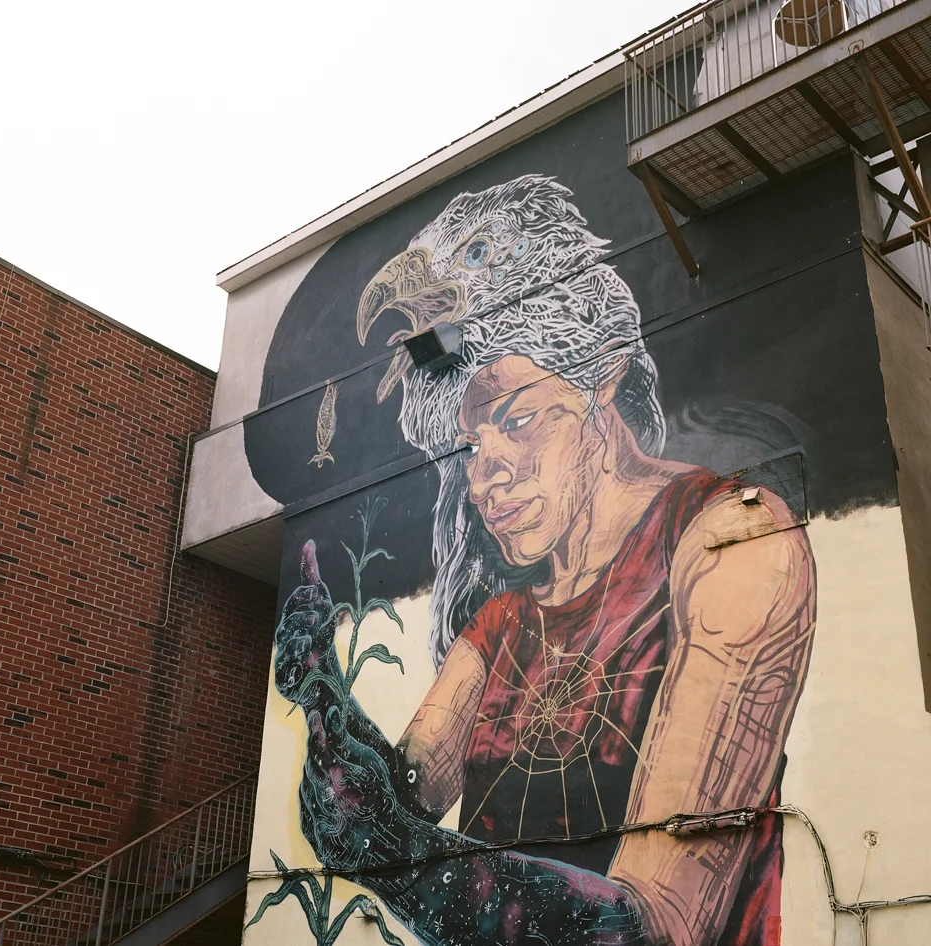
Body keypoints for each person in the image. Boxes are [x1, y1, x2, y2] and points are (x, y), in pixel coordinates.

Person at [275, 175, 816, 946]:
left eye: (519, 419)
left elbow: (660, 924)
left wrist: (392, 849)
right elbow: (397, 802)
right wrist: (327, 705)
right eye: (471, 444)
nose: (483, 474)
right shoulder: (501, 625)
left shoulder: (733, 542)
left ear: (605, 377)